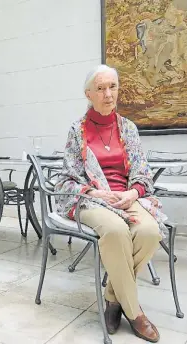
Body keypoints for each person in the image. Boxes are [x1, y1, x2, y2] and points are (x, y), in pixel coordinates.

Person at [54, 64, 168, 343]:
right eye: (101, 88)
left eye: (112, 87)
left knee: (150, 231)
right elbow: (68, 176)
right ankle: (135, 313)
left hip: (126, 196)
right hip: (92, 199)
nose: (108, 94)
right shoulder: (76, 130)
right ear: (88, 94)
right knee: (116, 231)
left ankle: (113, 300)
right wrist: (94, 193)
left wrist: (132, 194)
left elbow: (142, 173)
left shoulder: (128, 128)